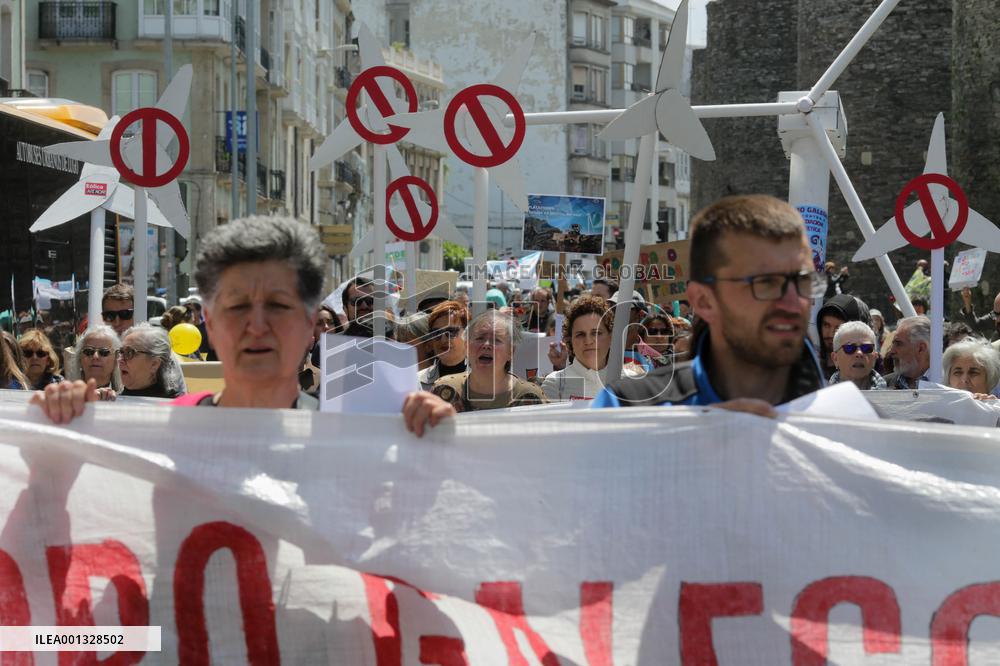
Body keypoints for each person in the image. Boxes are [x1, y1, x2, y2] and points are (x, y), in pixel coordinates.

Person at [32, 216, 325, 421]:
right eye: (237, 307)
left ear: (310, 322)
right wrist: (70, 427)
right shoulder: (165, 426)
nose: (257, 326)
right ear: (209, 321)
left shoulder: (347, 444)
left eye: (278, 305)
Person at [592, 194, 826, 414]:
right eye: (766, 283)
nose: (793, 302)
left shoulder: (845, 417)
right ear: (704, 301)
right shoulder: (627, 409)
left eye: (803, 280)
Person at [401, 310, 546, 434]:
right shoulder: (445, 390)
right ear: (467, 347)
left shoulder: (531, 397)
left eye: (497, 340)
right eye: (480, 338)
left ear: (511, 352)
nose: (487, 345)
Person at [541, 295, 613, 401]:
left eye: (596, 333)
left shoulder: (631, 380)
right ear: (570, 340)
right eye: (580, 335)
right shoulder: (555, 384)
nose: (588, 341)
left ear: (610, 337)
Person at [116, 323, 186, 398]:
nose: (120, 360)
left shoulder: (178, 406)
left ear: (154, 364)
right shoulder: (111, 401)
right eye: (121, 352)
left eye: (129, 353)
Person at [816, 293, 873, 379]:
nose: (831, 334)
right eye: (826, 325)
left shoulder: (867, 371)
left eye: (838, 328)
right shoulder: (809, 368)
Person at [418, 300, 469, 389]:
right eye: (436, 333)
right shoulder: (416, 381)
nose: (443, 339)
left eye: (451, 331)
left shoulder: (485, 380)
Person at [64, 325, 123, 397]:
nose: (95, 357)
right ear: (79, 358)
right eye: (88, 351)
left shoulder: (127, 397)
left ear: (116, 358)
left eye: (104, 352)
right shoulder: (65, 395)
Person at [828, 321, 886, 390]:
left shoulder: (894, 396)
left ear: (875, 357)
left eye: (866, 348)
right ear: (835, 358)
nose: (859, 353)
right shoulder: (820, 398)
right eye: (849, 348)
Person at [884, 315, 931, 390]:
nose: (891, 351)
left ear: (920, 348)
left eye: (898, 344)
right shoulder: (883, 385)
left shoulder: (949, 384)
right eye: (893, 344)